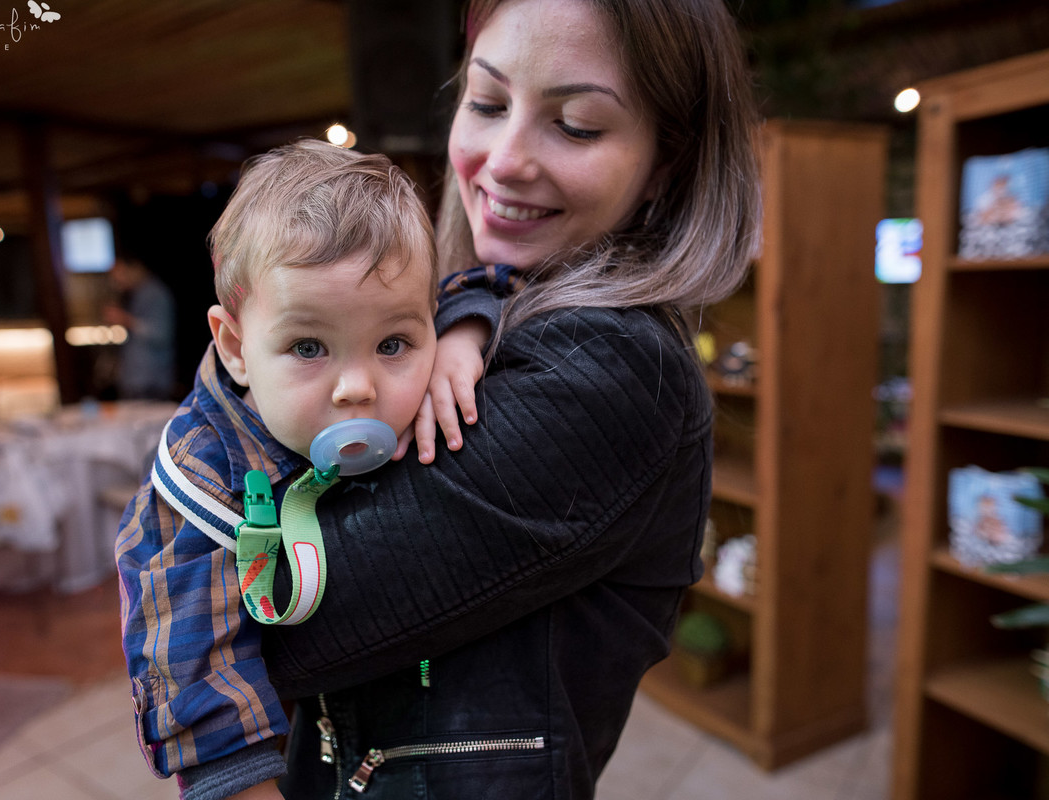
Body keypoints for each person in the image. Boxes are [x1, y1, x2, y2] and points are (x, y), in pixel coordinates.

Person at [127, 0, 762, 797]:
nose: (503, 160)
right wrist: (459, 319)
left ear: (667, 157)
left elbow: (278, 615)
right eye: (488, 103)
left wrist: (180, 528)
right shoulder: (480, 311)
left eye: (577, 125)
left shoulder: (622, 371)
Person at [116, 140, 468, 798]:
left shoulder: (437, 363)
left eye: (394, 343)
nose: (358, 388)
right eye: (309, 346)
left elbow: (480, 285)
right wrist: (241, 783)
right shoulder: (203, 476)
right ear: (236, 346)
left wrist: (469, 333)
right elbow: (187, 652)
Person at [104, 255, 176, 400]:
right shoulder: (136, 294)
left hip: (151, 382)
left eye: (119, 273)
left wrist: (126, 320)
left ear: (134, 268)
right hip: (136, 381)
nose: (116, 280)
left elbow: (161, 334)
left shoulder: (155, 294)